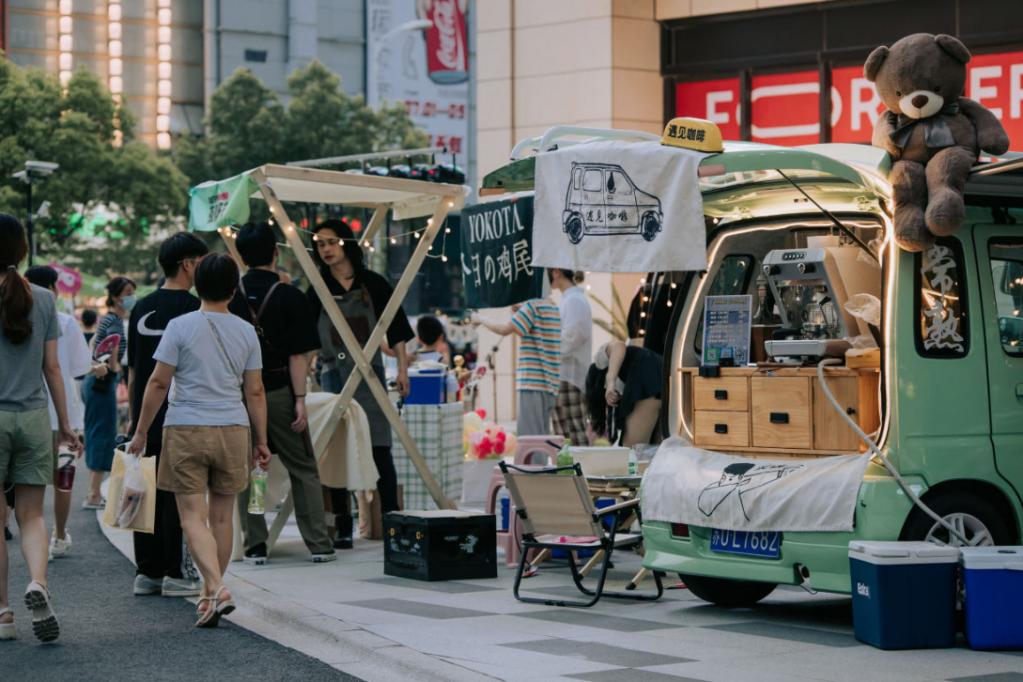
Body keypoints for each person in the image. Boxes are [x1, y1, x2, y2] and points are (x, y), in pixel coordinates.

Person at [126, 254, 271, 629]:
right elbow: (255, 391)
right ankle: (209, 597)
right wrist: (262, 440)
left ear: (197, 283)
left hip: (186, 427)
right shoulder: (245, 331)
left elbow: (158, 382)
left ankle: (217, 588)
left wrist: (140, 430)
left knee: (192, 516)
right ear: (233, 287)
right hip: (233, 429)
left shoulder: (180, 326)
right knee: (222, 517)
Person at [229, 222, 334, 565]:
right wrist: (300, 399)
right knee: (303, 468)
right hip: (278, 393)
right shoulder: (290, 295)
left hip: (239, 396)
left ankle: (256, 544)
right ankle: (318, 543)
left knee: (253, 470)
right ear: (275, 253)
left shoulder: (229, 296)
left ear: (241, 257)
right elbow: (298, 356)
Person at [0, 215, 81, 642]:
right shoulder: (46, 299)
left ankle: (3, 614)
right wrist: (66, 424)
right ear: (21, 250)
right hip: (34, 417)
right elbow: (53, 368)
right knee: (32, 515)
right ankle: (38, 582)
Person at [307, 219, 412, 549]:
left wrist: (404, 370)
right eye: (320, 244)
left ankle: (392, 523)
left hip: (370, 376)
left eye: (331, 242)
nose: (325, 249)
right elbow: (308, 337)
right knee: (335, 451)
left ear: (346, 243)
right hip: (331, 376)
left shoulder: (373, 283)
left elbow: (396, 329)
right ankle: (342, 527)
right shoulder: (317, 288)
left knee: (381, 449)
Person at [125, 233, 207, 598]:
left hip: (145, 413)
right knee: (180, 496)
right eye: (201, 261)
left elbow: (134, 370)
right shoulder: (195, 309)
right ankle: (177, 572)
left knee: (145, 493)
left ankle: (148, 573)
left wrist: (134, 420)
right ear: (188, 264)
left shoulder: (141, 306)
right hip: (181, 414)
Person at [23, 266, 97, 560]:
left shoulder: (15, 317)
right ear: (53, 289)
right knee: (63, 481)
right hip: (64, 414)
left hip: (28, 411)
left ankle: (34, 537)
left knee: (29, 485)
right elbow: (80, 369)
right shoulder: (65, 323)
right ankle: (59, 535)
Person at [473, 294, 561, 436]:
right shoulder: (551, 305)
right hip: (549, 383)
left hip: (532, 383)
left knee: (530, 439)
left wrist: (480, 319)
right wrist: (521, 310)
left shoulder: (532, 306)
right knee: (541, 439)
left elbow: (504, 329)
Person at [82, 275, 135, 509]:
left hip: (94, 383)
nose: (131, 297)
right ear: (115, 297)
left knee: (98, 432)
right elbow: (112, 356)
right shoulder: (114, 322)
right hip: (102, 384)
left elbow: (94, 343)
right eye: (127, 293)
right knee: (102, 435)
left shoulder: (107, 319)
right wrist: (114, 370)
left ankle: (93, 493)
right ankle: (93, 495)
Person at [585, 340, 663, 447]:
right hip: (666, 377)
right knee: (655, 446)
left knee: (632, 449)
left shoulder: (600, 361)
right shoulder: (626, 379)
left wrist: (610, 380)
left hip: (648, 378)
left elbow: (619, 345)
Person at [548, 269, 592, 445]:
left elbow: (575, 336)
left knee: (572, 433)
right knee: (565, 434)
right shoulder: (570, 299)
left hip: (569, 375)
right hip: (565, 374)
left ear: (556, 272)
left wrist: (548, 347)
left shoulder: (573, 300)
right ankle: (573, 471)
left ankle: (580, 471)